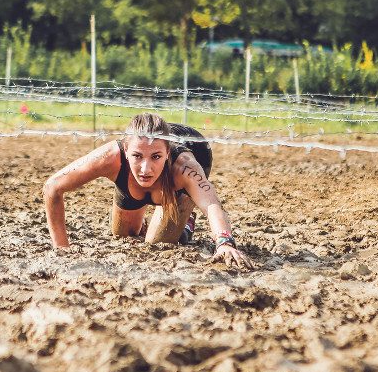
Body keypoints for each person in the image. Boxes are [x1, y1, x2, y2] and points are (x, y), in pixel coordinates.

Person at [43, 112, 253, 269]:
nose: (145, 169)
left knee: (158, 242)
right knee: (123, 235)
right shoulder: (110, 157)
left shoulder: (184, 167)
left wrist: (225, 242)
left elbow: (212, 204)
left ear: (167, 153)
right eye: (137, 156)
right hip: (138, 164)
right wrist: (62, 250)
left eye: (156, 157)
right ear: (126, 151)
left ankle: (186, 216)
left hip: (193, 151)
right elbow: (52, 187)